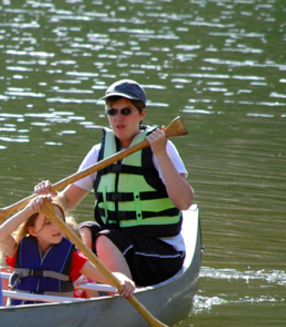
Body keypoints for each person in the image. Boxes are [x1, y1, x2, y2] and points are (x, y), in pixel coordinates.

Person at [35, 79, 194, 287]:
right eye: (112, 112)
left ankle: (121, 297)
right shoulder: (99, 154)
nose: (118, 118)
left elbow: (184, 201)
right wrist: (49, 198)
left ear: (142, 114)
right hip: (118, 244)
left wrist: (160, 153)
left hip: (161, 252)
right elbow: (66, 201)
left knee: (104, 239)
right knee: (84, 232)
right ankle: (71, 290)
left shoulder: (161, 147)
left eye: (126, 111)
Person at [0, 195, 135, 305]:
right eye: (48, 223)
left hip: (55, 318)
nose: (56, 227)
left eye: (59, 220)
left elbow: (106, 276)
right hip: (20, 314)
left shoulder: (70, 257)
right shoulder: (19, 251)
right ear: (32, 230)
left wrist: (123, 280)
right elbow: (1, 234)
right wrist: (30, 209)